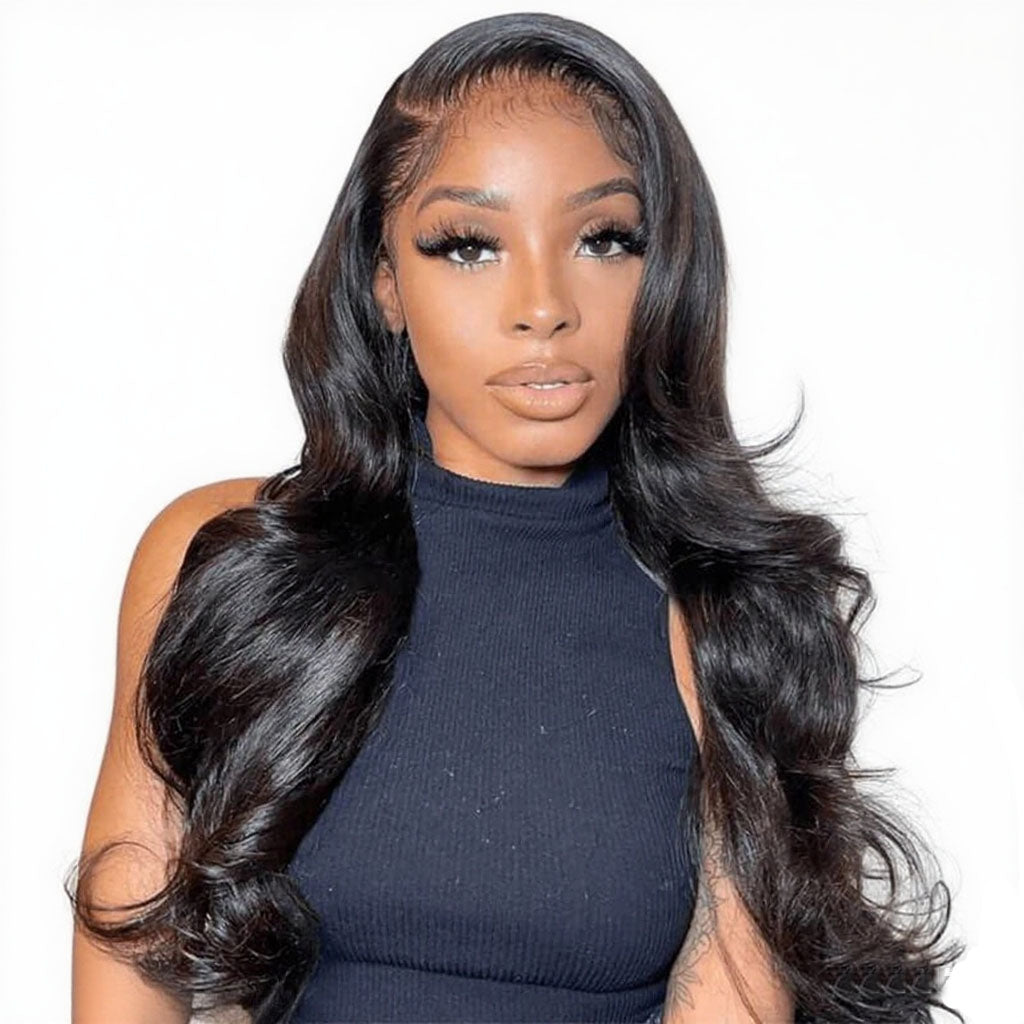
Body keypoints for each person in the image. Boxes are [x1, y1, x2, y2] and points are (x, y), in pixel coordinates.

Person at [67, 12, 965, 1024]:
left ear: (667, 271)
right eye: (469, 246)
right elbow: (128, 951)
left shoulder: (730, 612)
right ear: (384, 283)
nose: (543, 306)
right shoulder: (227, 559)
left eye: (604, 239)